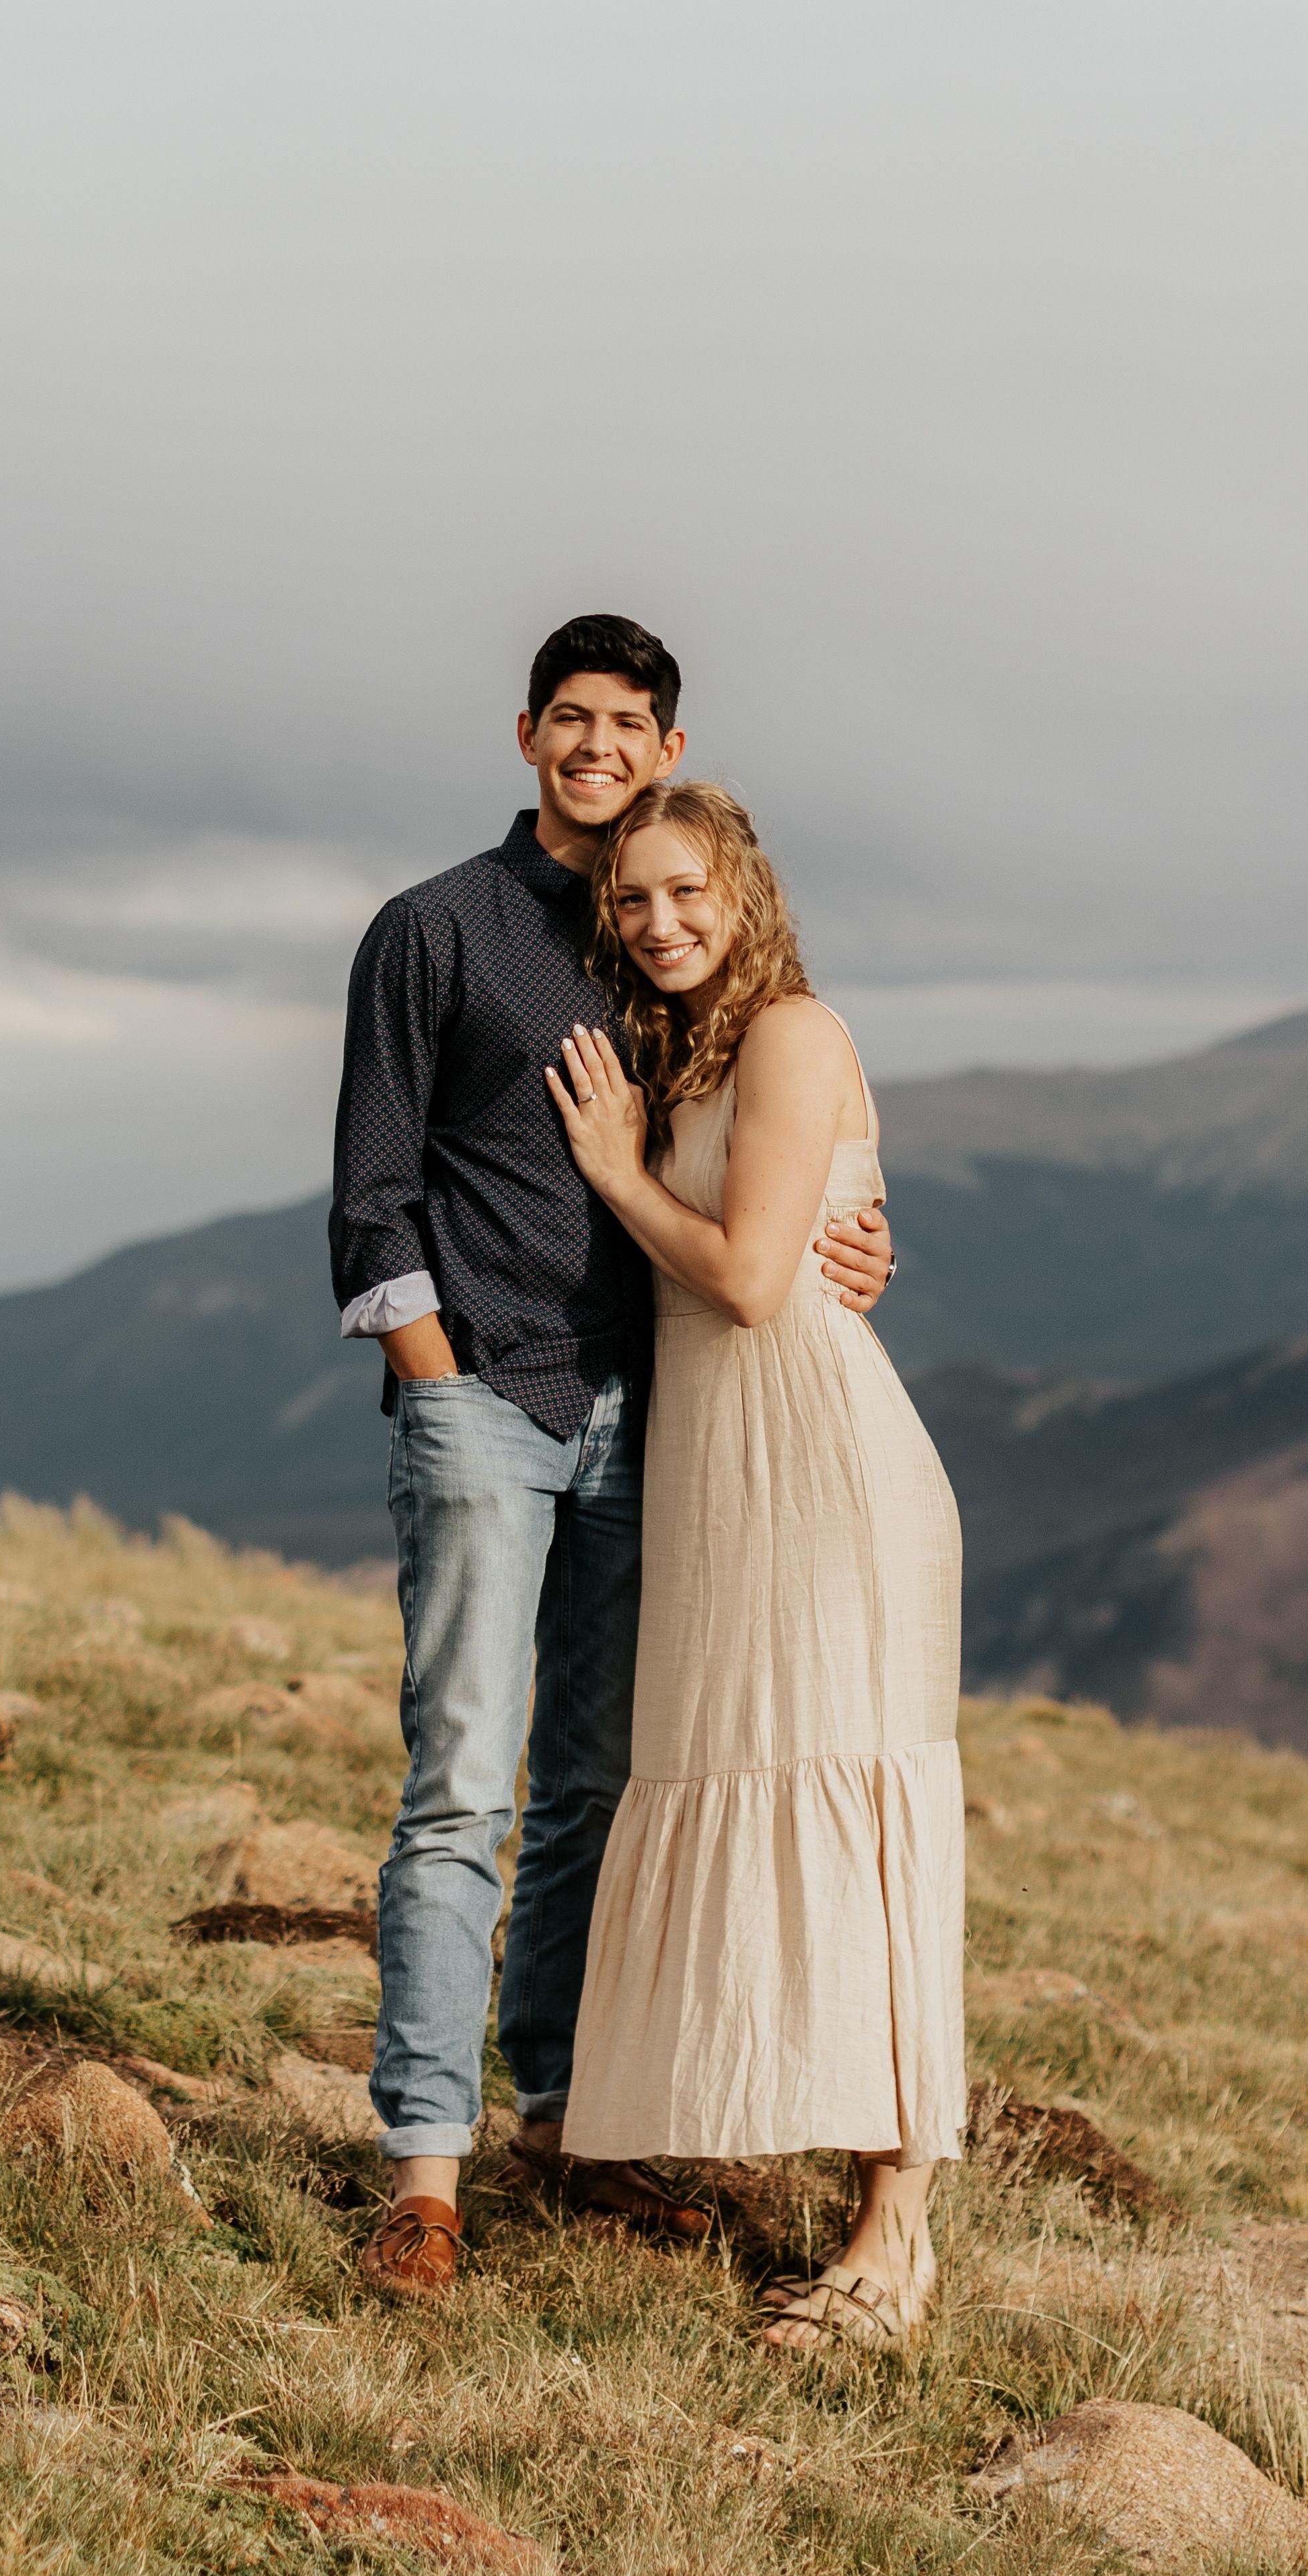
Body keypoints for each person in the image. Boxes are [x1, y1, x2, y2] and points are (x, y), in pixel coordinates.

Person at [325, 616, 896, 2304]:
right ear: (526, 736)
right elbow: (371, 1192)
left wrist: (855, 1240)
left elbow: (772, 1146)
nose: (595, 746)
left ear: (667, 749)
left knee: (595, 1791)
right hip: (485, 1402)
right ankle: (423, 2170)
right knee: (461, 1786)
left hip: (657, 1421)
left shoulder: (674, 943)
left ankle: (568, 2128)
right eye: (568, 718)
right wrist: (436, 1381)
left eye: (626, 723)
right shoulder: (435, 929)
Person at [543, 775, 966, 2353]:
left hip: (828, 1479)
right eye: (632, 898)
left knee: (858, 1815)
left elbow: (741, 1276)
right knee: (749, 1783)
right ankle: (765, 2144)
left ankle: (895, 2237)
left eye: (685, 891)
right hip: (729, 1481)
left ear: (745, 892)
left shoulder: (790, 1031)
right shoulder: (685, 1050)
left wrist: (616, 1170)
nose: (659, 920)